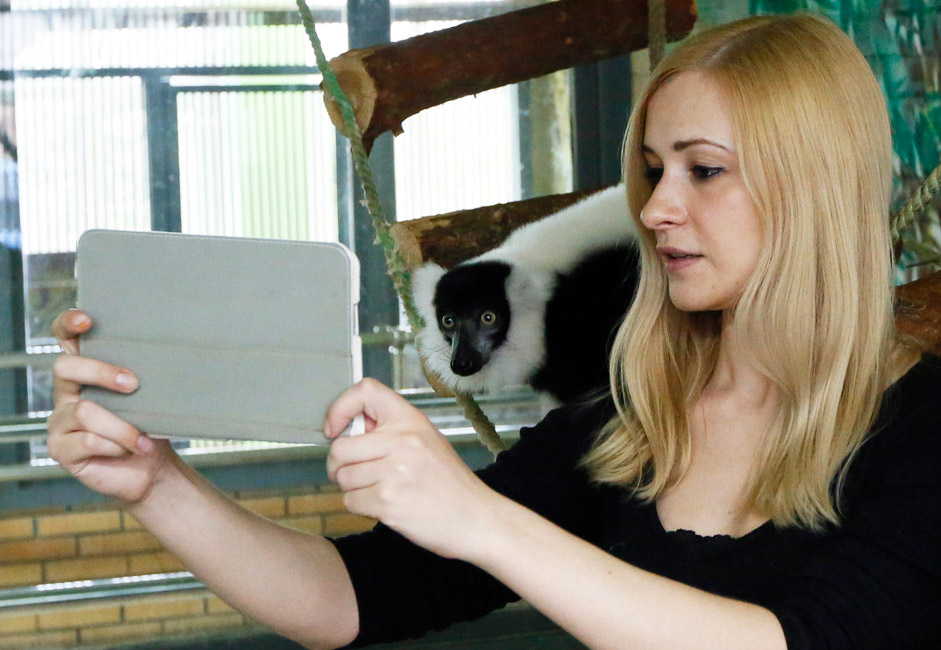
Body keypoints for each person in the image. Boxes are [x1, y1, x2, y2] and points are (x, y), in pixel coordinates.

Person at [47, 12, 940, 650]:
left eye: (704, 171)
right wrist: (155, 483)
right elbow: (352, 601)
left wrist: (479, 519)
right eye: (651, 169)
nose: (658, 208)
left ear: (812, 188)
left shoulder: (922, 426)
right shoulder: (628, 422)